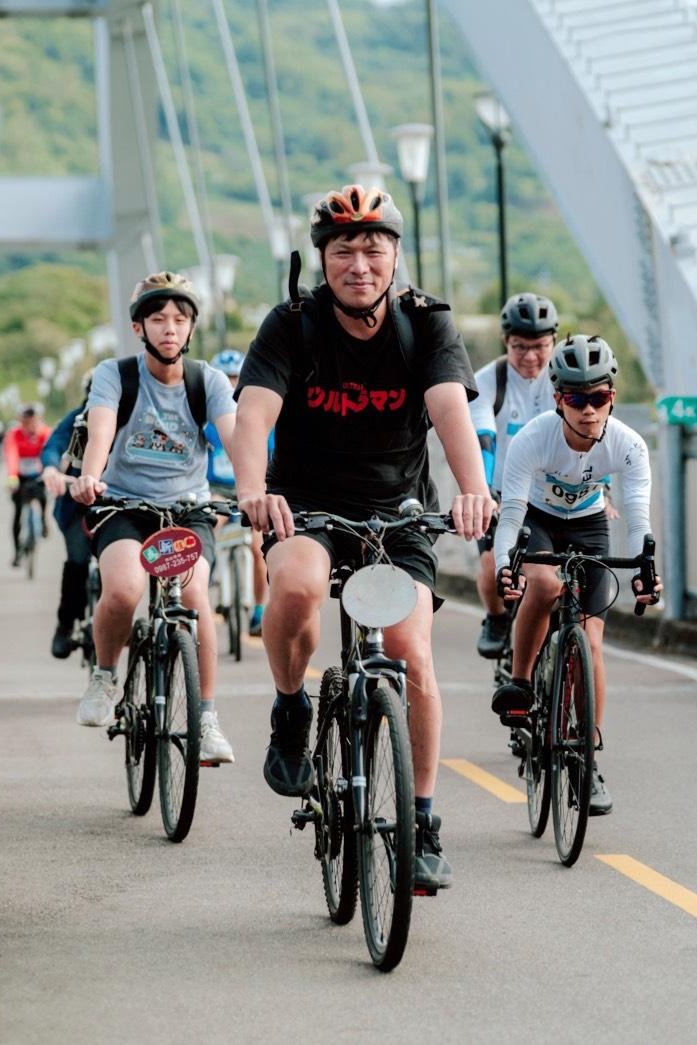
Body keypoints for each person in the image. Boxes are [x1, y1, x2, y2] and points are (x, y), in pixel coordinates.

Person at [231, 184, 495, 891]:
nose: (359, 262)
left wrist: (474, 488)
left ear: (395, 256)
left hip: (398, 512)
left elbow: (447, 409)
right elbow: (253, 416)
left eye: (373, 248)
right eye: (343, 249)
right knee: (297, 585)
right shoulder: (292, 325)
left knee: (409, 652)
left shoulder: (425, 326)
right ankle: (291, 706)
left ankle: (423, 818)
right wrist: (253, 490)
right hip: (305, 508)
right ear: (322, 258)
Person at [489, 335, 662, 816]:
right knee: (543, 584)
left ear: (612, 395)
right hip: (537, 519)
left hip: (588, 524)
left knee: (592, 638)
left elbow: (637, 518)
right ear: (558, 398)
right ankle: (522, 683)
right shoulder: (534, 438)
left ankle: (587, 761)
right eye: (576, 398)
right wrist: (506, 565)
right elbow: (510, 514)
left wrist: (645, 571)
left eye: (599, 397)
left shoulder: (628, 445)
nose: (588, 410)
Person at [70, 272, 238, 765]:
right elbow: (100, 431)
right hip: (124, 504)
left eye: (180, 319)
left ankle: (205, 718)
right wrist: (89, 476)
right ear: (138, 327)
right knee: (123, 589)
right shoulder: (115, 374)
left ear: (191, 330)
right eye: (158, 319)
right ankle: (104, 676)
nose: (170, 328)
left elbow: (235, 437)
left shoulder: (206, 380)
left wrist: (257, 491)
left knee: (193, 595)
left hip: (187, 510)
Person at [468, 292, 559, 659]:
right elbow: (484, 439)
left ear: (554, 341)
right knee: (494, 564)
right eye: (520, 347)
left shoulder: (563, 376)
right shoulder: (489, 381)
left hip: (555, 494)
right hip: (503, 493)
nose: (531, 357)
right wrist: (486, 493)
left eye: (540, 346)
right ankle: (496, 616)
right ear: (506, 341)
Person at [205, 349, 270, 637]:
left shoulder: (260, 417)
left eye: (235, 378)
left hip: (251, 490)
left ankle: (258, 610)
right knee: (206, 531)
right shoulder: (206, 421)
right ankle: (201, 594)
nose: (231, 385)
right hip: (216, 491)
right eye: (225, 378)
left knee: (259, 547)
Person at [41, 374, 92, 660]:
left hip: (122, 504)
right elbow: (53, 445)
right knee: (77, 562)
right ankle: (65, 624)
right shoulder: (77, 419)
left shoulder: (133, 416)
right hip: (77, 506)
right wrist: (51, 469)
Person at [5, 404, 51, 567]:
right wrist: (12, 476)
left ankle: (44, 520)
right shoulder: (14, 434)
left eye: (33, 421)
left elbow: (49, 453)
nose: (29, 425)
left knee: (43, 496)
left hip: (39, 474)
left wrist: (49, 471)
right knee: (17, 513)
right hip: (20, 476)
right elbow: (11, 454)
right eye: (25, 422)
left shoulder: (45, 433)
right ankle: (17, 552)